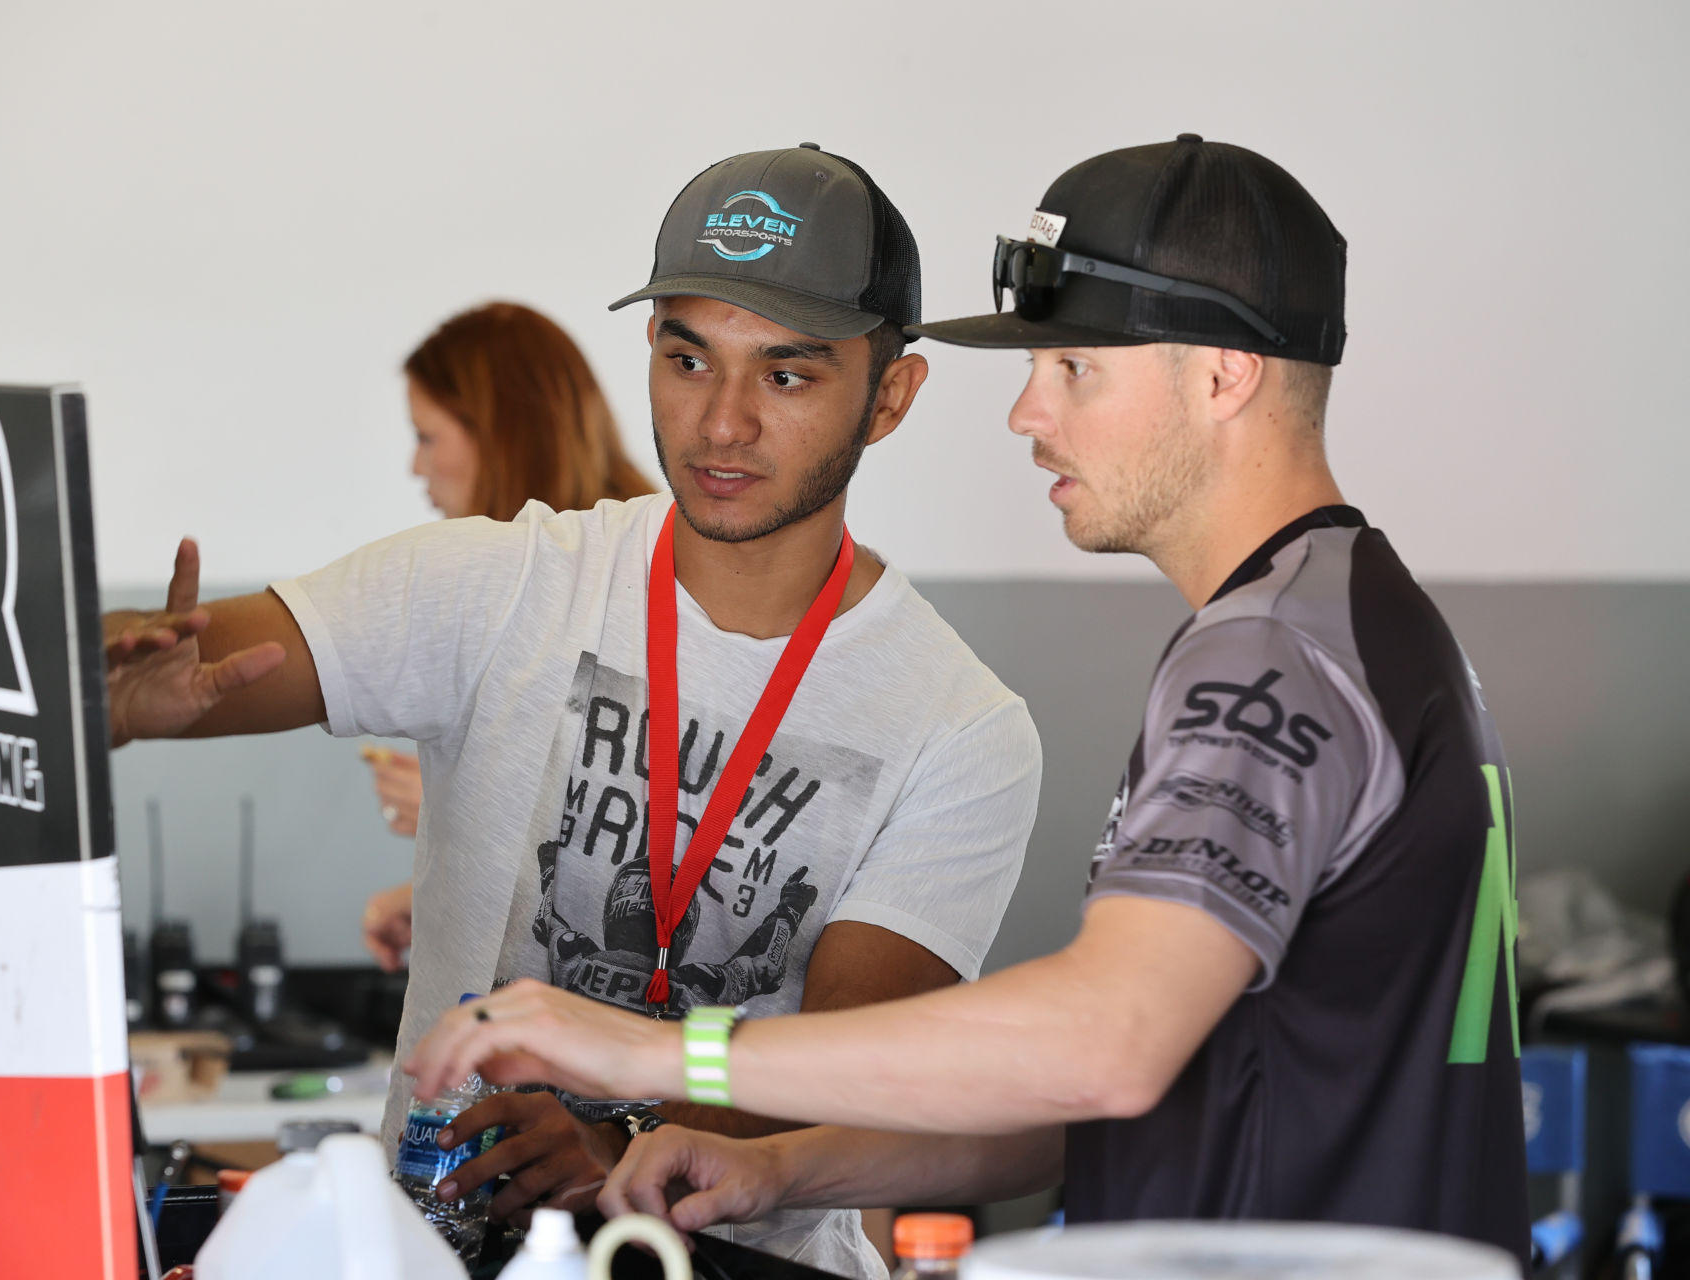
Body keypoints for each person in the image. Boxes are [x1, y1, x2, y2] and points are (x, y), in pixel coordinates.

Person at [403, 135, 1532, 1268]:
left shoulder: (1266, 660)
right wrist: (785, 1164)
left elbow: (1107, 1041)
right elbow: (1103, 1093)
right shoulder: (1355, 624)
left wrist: (655, 1060)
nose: (1027, 412)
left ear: (1222, 373)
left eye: (1074, 368)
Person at [102, 143, 1042, 1279]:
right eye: (688, 358)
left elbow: (851, 1060)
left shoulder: (960, 726)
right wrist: (114, 694)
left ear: (889, 394)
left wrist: (617, 1133)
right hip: (437, 1250)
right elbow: (212, 663)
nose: (723, 423)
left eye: (785, 374)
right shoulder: (500, 584)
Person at [359, 302, 656, 972]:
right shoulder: (511, 595)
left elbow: (658, 853)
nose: (415, 466)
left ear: (499, 434)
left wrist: (465, 803)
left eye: (427, 436)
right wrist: (437, 892)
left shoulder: (646, 585)